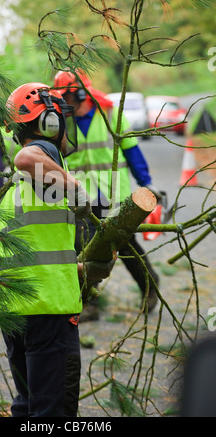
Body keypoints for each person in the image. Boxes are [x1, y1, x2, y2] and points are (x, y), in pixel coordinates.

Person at [0, 82, 115, 417]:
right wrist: (75, 188)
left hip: (14, 305)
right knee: (53, 411)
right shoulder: (42, 156)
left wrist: (80, 270)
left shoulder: (17, 186)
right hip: (46, 309)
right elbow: (26, 156)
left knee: (29, 405)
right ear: (51, 123)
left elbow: (37, 246)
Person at [53, 70, 162, 317]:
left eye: (66, 95)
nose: (63, 101)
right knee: (85, 246)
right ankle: (89, 302)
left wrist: (147, 183)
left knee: (125, 245)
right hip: (83, 196)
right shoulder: (62, 120)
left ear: (81, 92)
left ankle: (149, 285)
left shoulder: (112, 114)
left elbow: (132, 151)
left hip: (114, 193)